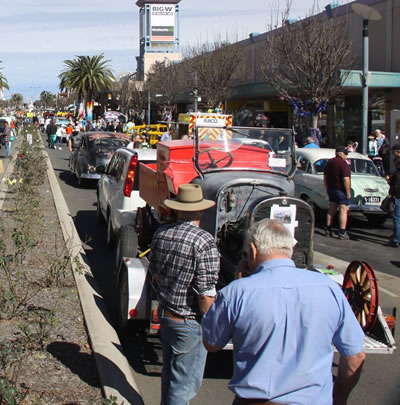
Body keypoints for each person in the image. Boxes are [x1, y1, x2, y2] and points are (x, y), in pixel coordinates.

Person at [202, 219, 366, 405]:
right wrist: (339, 398)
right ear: (290, 250)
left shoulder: (237, 292)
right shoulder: (329, 288)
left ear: (253, 251)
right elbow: (355, 357)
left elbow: (211, 343)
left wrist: (237, 284)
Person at [147, 183, 219, 405]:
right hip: (189, 320)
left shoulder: (161, 233)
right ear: (201, 210)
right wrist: (213, 325)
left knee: (169, 377)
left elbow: (154, 274)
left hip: (167, 314)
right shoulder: (204, 241)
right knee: (183, 387)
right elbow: (205, 294)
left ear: (177, 208)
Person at [324, 146, 352, 239]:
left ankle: (328, 229)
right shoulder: (343, 164)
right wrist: (348, 192)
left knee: (331, 209)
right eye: (345, 154)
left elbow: (325, 177)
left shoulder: (330, 162)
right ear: (340, 153)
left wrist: (327, 188)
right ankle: (342, 232)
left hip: (331, 188)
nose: (346, 156)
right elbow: (346, 179)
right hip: (341, 190)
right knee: (343, 210)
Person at [387, 144, 400, 247]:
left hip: (398, 194)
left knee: (397, 217)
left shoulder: (398, 163)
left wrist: (391, 180)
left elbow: (397, 181)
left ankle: (396, 239)